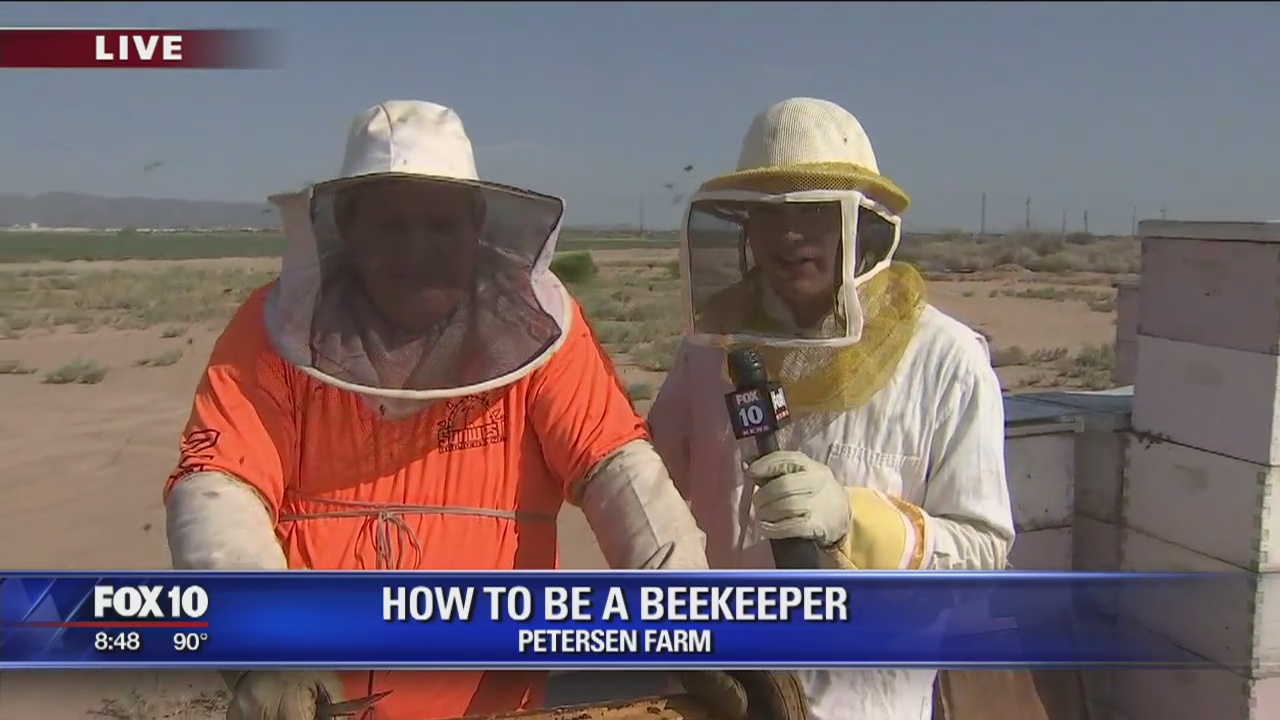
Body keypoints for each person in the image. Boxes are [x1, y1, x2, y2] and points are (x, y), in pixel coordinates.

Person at [163, 100, 800, 720]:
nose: (418, 248)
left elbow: (617, 470)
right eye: (392, 225)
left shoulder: (541, 330)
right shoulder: (274, 332)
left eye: (439, 224)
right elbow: (217, 484)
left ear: (476, 226)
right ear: (347, 229)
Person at [649, 97, 1016, 720]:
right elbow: (652, 478)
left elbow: (983, 553)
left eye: (815, 213)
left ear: (863, 226)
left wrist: (858, 521)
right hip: (732, 689)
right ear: (744, 227)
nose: (790, 237)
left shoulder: (945, 360)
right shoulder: (711, 347)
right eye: (770, 216)